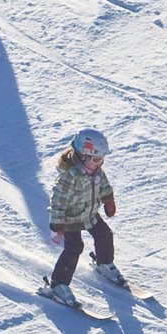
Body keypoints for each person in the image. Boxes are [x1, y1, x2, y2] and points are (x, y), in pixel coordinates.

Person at [42, 129, 121, 308]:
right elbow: (58, 202)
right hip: (70, 219)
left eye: (102, 159)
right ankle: (58, 284)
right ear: (81, 157)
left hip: (90, 214)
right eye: (96, 159)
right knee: (74, 247)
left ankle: (104, 262)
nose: (100, 163)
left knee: (104, 234)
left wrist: (108, 199)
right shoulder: (69, 178)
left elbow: (104, 185)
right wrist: (57, 225)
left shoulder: (96, 171)